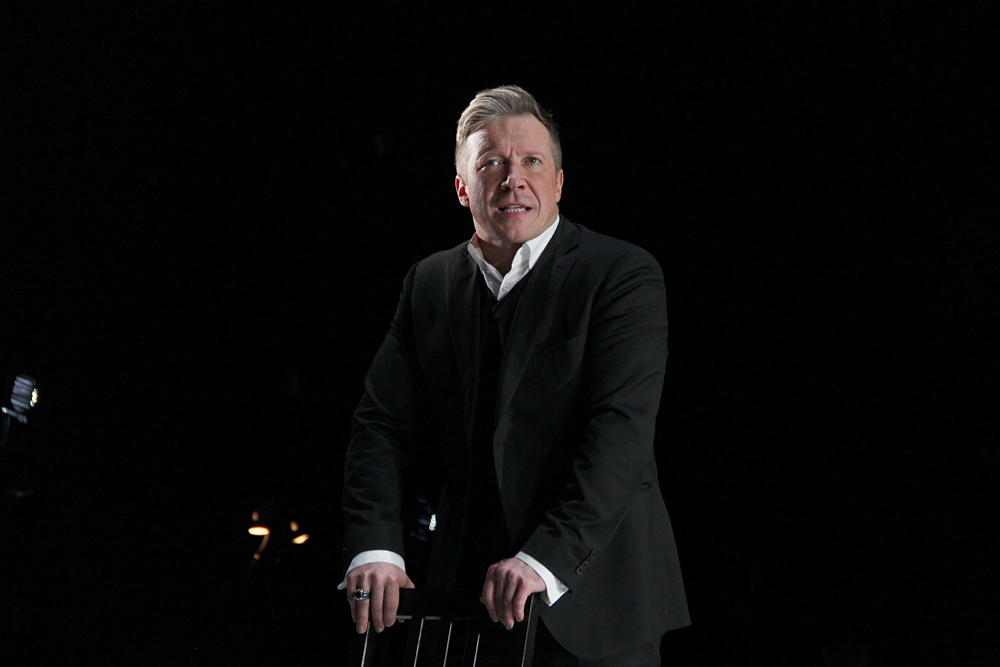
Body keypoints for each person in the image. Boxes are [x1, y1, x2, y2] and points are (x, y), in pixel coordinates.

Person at [341, 85, 689, 666]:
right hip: (463, 604)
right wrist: (376, 547)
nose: (513, 179)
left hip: (594, 604)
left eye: (531, 161)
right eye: (491, 164)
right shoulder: (428, 283)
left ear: (558, 183)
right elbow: (380, 425)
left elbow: (620, 431)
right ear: (462, 188)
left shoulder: (621, 274)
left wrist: (543, 559)